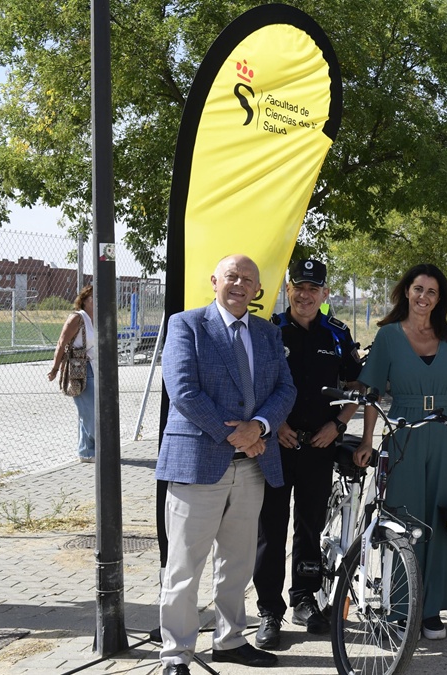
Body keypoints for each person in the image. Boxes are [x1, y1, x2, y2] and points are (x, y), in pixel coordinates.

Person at [155, 254, 296, 674]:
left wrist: (260, 427)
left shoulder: (268, 334)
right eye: (232, 276)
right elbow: (182, 390)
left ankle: (230, 641)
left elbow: (285, 389)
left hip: (252, 466)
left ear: (257, 291)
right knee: (184, 566)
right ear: (214, 280)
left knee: (236, 563)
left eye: (248, 279)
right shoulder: (186, 325)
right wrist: (235, 433)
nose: (239, 284)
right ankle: (176, 654)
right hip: (199, 463)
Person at [355, 263, 447, 641]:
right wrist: (367, 440)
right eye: (418, 289)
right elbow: (372, 393)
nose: (424, 297)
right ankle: (401, 606)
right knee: (402, 520)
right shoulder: (388, 336)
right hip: (403, 428)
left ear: (441, 300)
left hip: (444, 432)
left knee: (439, 522)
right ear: (406, 291)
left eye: (432, 292)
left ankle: (432, 609)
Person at [252, 259, 362, 649]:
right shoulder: (268, 330)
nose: (305, 294)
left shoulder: (336, 334)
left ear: (325, 294)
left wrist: (340, 425)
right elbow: (253, 387)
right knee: (270, 528)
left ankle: (304, 599)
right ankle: (269, 610)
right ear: (288, 289)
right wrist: (272, 424)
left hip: (320, 444)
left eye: (314, 288)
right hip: (275, 445)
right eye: (299, 286)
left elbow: (357, 387)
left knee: (310, 526)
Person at [48, 284, 96, 463]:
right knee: (90, 411)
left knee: (88, 410)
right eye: (94, 297)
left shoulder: (96, 318)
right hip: (79, 369)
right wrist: (55, 368)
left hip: (94, 367)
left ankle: (86, 452)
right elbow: (62, 343)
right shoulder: (77, 318)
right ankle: (101, 447)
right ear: (85, 301)